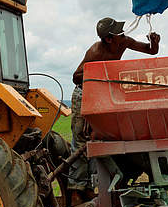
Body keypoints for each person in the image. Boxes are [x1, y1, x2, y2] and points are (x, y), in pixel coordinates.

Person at [66, 17, 160, 196]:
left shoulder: (123, 42)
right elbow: (76, 77)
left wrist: (154, 43)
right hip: (84, 93)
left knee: (96, 140)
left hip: (101, 93)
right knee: (81, 139)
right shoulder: (95, 52)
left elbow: (150, 51)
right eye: (118, 32)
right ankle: (76, 188)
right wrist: (99, 71)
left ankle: (89, 185)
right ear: (108, 39)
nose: (123, 33)